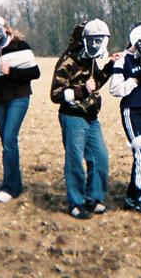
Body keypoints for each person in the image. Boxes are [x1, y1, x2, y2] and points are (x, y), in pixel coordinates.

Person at [50, 18, 117, 219]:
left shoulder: (90, 58)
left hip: (91, 117)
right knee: (75, 162)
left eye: (100, 40)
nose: (97, 44)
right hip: (73, 117)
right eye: (94, 40)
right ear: (83, 39)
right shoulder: (68, 61)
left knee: (100, 158)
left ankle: (93, 198)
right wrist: (80, 91)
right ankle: (75, 203)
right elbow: (56, 94)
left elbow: (94, 84)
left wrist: (111, 65)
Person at [0, 14, 41, 204]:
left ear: (4, 27)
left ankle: (9, 188)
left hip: (19, 97)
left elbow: (35, 73)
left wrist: (11, 71)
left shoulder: (21, 46)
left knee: (9, 139)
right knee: (7, 143)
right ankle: (16, 184)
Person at [109, 22, 141, 220]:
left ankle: (132, 195)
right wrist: (134, 81)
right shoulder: (124, 61)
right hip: (132, 112)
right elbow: (115, 90)